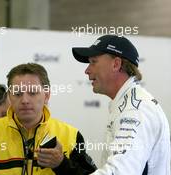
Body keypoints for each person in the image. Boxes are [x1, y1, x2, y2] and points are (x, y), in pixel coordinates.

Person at [72, 35, 170, 174]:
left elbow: (119, 172)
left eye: (93, 62)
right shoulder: (128, 103)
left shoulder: (135, 109)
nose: (87, 70)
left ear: (116, 64)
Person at [0, 63, 97, 175]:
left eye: (33, 93)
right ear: (9, 96)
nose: (25, 100)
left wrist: (62, 164)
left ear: (47, 96)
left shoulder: (71, 135)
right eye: (17, 93)